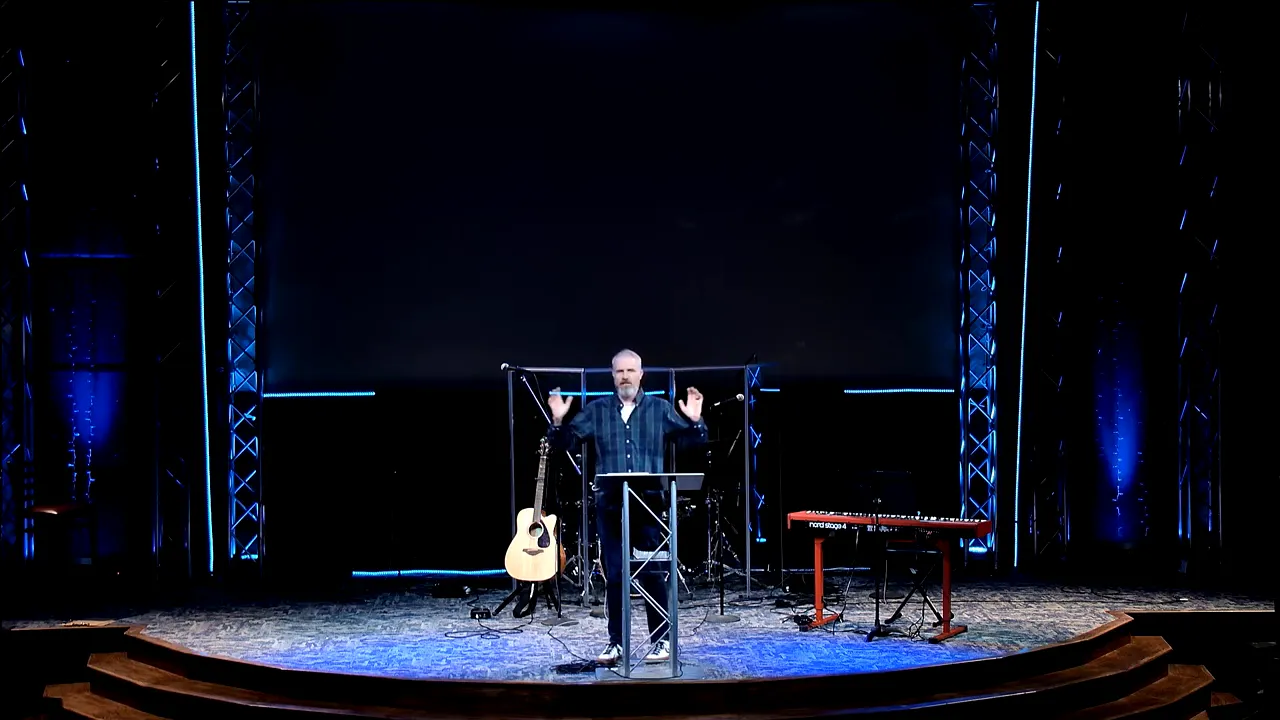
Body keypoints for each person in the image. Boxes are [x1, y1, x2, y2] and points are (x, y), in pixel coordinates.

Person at [547, 349, 706, 666]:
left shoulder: (659, 409)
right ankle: (616, 643)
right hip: (611, 507)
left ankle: (660, 642)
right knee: (617, 575)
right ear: (612, 375)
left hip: (648, 506)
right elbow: (565, 443)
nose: (625, 377)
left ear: (641, 374)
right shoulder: (598, 410)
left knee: (652, 573)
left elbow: (692, 443)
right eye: (620, 372)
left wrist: (695, 420)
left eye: (631, 371)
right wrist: (558, 421)